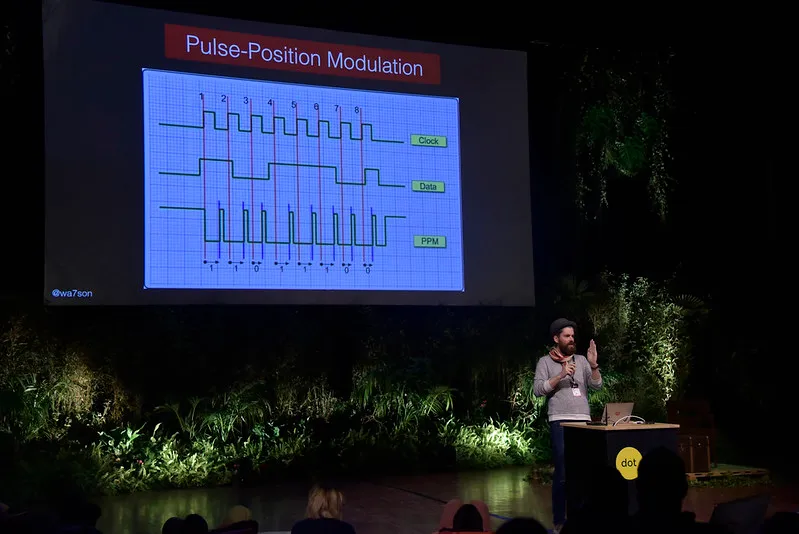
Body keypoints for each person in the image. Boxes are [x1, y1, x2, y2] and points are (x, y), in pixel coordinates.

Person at [533, 318, 602, 533]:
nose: (572, 339)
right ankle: (559, 522)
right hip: (560, 421)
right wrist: (560, 375)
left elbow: (597, 385)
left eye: (573, 336)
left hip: (583, 420)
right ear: (556, 338)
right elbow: (538, 390)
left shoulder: (581, 360)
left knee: (582, 472)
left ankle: (580, 520)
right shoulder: (545, 362)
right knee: (563, 473)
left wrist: (593, 364)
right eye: (567, 336)